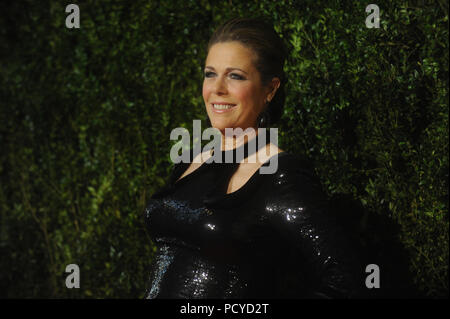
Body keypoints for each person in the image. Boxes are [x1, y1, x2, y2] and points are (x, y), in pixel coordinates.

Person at [143, 17, 363, 298]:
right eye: (210, 73)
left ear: (270, 89)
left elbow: (346, 284)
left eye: (235, 76)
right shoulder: (189, 160)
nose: (217, 88)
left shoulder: (281, 175)